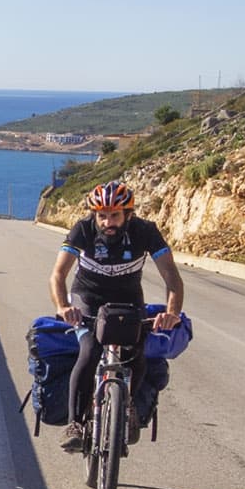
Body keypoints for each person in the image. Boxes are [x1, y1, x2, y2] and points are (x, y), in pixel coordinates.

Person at [49, 180, 185, 452]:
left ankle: (128, 406)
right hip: (87, 298)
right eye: (102, 215)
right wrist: (64, 306)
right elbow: (58, 275)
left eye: (114, 215)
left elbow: (172, 276)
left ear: (128, 215)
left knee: (136, 353)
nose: (107, 222)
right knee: (89, 350)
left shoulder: (145, 232)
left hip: (128, 299)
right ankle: (75, 423)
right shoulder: (82, 230)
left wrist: (172, 313)